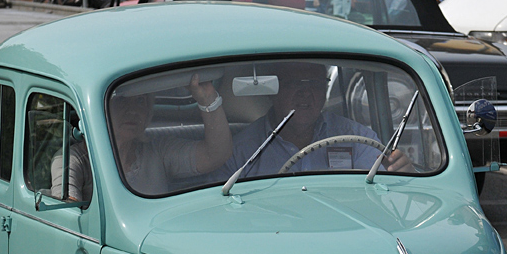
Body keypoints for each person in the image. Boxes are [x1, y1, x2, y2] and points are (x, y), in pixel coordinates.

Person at [53, 75, 232, 200]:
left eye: (141, 101)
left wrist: (208, 99)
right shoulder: (73, 159)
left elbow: (215, 155)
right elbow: (67, 213)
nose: (134, 111)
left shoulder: (157, 151)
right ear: (101, 108)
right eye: (122, 100)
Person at [228, 62, 413, 177]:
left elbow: (379, 193)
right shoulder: (242, 151)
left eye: (314, 84)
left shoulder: (356, 139)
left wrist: (402, 175)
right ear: (272, 92)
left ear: (325, 91)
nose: (305, 93)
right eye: (294, 83)